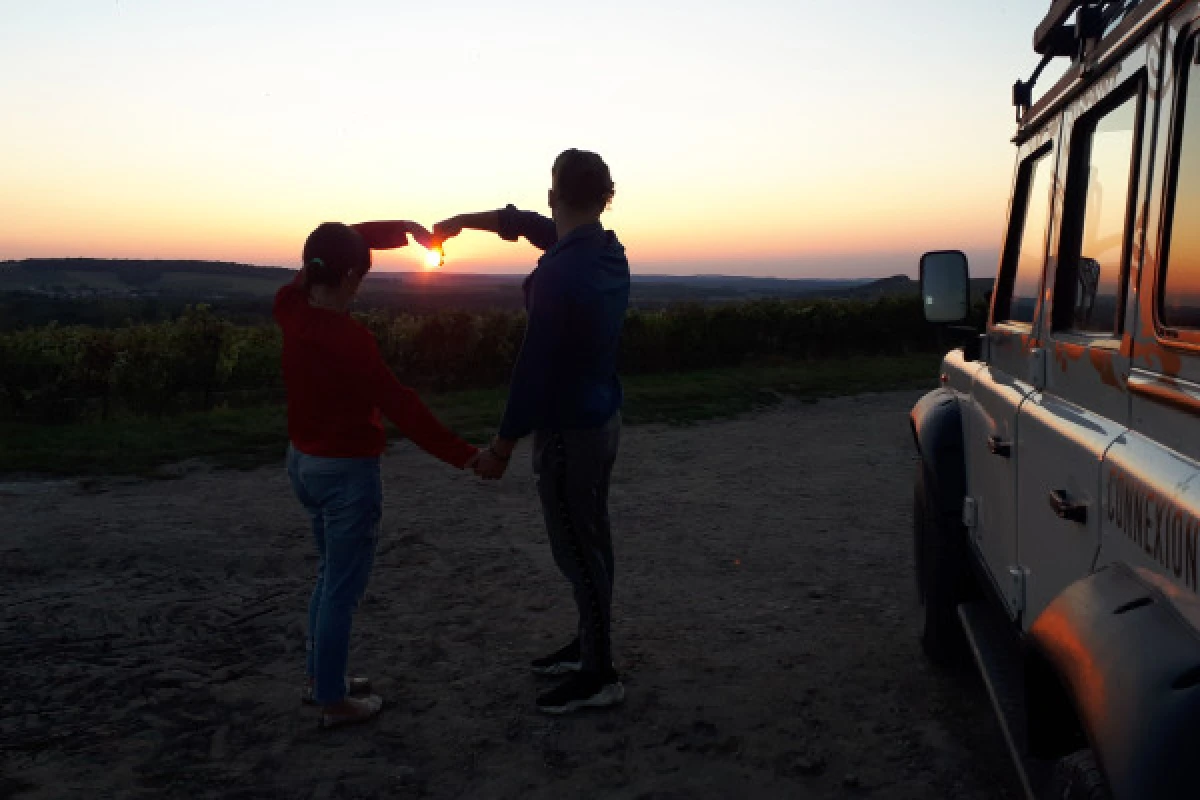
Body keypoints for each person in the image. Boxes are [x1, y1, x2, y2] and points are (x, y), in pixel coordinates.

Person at [435, 149, 631, 714]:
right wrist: (462, 223)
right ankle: (589, 646)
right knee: (592, 540)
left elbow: (533, 369)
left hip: (570, 430)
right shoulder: (602, 249)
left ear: (554, 193)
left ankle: (598, 675)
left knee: (576, 549)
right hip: (602, 419)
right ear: (605, 197)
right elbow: (525, 226)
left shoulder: (561, 272)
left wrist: (502, 445)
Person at [274, 220, 481, 728]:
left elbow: (328, 245)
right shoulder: (351, 340)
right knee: (342, 590)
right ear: (348, 278)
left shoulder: (289, 306)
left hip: (304, 464)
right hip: (347, 475)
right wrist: (467, 456)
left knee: (328, 577)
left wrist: (401, 232)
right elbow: (402, 407)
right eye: (360, 276)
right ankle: (333, 702)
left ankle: (320, 678)